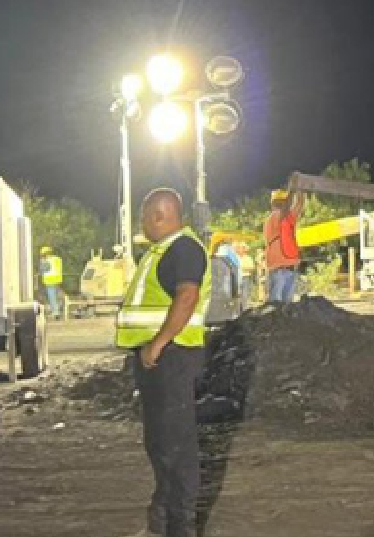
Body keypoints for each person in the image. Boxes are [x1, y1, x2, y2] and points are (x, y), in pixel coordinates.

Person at [115, 188, 212, 537]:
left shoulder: (183, 249)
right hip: (159, 361)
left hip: (172, 359)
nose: (141, 224)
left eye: (143, 217)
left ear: (159, 215)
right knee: (159, 443)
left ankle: (179, 528)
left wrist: (158, 344)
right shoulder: (162, 252)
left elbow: (187, 296)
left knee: (176, 445)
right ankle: (161, 523)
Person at [264, 188, 303, 304]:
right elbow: (298, 207)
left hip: (280, 269)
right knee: (285, 307)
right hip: (287, 268)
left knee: (276, 308)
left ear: (272, 203)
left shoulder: (273, 219)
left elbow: (298, 207)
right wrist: (300, 191)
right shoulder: (279, 217)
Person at [39, 246, 64, 319]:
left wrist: (42, 263)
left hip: (50, 281)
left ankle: (56, 312)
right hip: (57, 280)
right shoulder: (57, 259)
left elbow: (44, 269)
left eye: (42, 254)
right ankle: (59, 310)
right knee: (58, 296)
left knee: (52, 297)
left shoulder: (46, 260)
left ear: (45, 254)